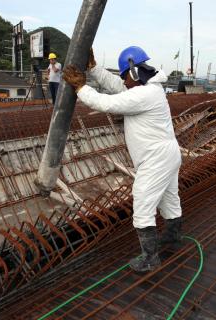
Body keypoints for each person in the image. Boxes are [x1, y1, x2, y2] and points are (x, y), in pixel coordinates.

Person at [63, 46, 182, 273]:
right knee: (168, 198)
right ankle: (174, 239)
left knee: (143, 205)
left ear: (134, 72)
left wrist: (80, 87)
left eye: (125, 76)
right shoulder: (149, 89)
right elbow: (118, 87)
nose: (124, 82)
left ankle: (150, 258)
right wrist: (94, 69)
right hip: (167, 154)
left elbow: (107, 103)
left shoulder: (143, 94)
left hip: (155, 159)